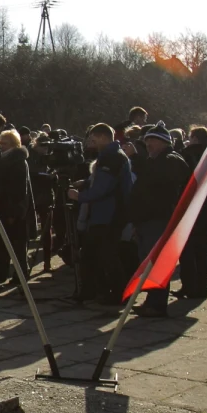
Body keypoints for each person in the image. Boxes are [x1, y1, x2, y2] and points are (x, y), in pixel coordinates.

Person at [126, 122, 189, 317]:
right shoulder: (155, 160)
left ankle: (157, 304)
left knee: (156, 263)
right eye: (147, 141)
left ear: (163, 142)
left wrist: (137, 158)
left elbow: (159, 181)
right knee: (148, 262)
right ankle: (152, 301)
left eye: (152, 140)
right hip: (147, 219)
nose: (148, 144)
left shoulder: (171, 160)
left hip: (158, 218)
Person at [69, 123, 133, 304]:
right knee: (96, 254)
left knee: (105, 255)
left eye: (94, 138)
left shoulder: (111, 158)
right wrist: (88, 183)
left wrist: (80, 196)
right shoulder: (114, 156)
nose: (91, 142)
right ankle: (99, 290)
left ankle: (116, 292)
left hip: (108, 214)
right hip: (107, 213)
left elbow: (103, 188)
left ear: (104, 137)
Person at [0, 129, 33, 284]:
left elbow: (20, 190)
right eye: (0, 143)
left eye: (5, 143)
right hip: (0, 205)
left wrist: (14, 212)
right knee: (0, 243)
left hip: (13, 208)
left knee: (17, 245)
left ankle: (20, 275)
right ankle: (0, 271)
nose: (1, 146)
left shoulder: (18, 161)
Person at [177, 126, 207, 299]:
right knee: (201, 250)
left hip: (189, 210)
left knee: (187, 251)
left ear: (194, 138)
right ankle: (201, 287)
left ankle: (189, 286)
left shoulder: (187, 156)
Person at [29, 134, 58, 272]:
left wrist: (53, 175)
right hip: (33, 195)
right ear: (36, 144)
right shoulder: (30, 156)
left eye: (47, 145)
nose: (45, 148)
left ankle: (47, 261)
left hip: (46, 196)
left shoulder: (51, 157)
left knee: (47, 231)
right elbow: (32, 174)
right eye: (42, 145)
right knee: (29, 229)